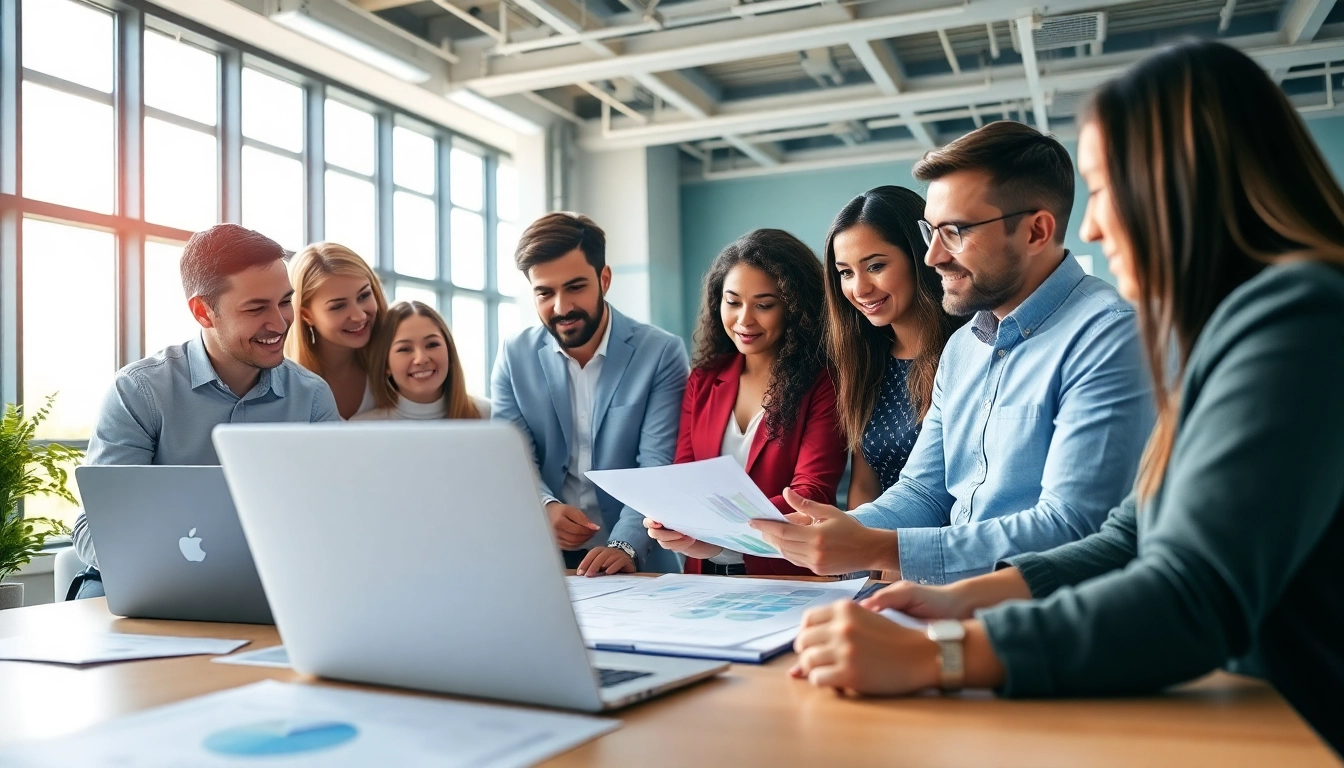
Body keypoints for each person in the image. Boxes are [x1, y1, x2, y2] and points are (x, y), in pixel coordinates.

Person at [789, 41, 1344, 756]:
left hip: (1300, 727)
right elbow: (1129, 536)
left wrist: (942, 655)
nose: (1091, 225)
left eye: (1107, 187)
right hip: (1243, 709)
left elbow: (1191, 595)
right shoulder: (1234, 325)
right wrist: (962, 599)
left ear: (1180, 184)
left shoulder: (1297, 316)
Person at [752, 121, 1154, 584]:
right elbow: (924, 491)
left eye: (956, 231)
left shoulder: (1108, 335)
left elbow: (1074, 526)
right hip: (954, 605)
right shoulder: (964, 346)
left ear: (1036, 231)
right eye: (931, 232)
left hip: (1049, 625)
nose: (933, 257)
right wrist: (802, 533)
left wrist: (880, 547)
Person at [72, 224, 339, 597]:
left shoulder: (311, 398)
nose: (279, 323)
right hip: (149, 589)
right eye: (256, 308)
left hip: (273, 590)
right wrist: (174, 575)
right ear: (203, 312)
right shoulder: (139, 391)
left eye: (284, 301)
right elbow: (94, 528)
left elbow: (338, 515)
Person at [491, 212, 689, 576]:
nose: (562, 307)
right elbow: (510, 459)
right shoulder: (513, 356)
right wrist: (544, 507)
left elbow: (658, 464)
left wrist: (625, 544)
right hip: (542, 562)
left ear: (605, 279)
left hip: (638, 559)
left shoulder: (661, 353)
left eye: (576, 287)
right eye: (545, 293)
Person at [645, 230, 847, 576]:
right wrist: (673, 518)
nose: (744, 320)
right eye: (733, 301)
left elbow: (810, 494)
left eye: (764, 305)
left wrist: (717, 533)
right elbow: (685, 473)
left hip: (783, 576)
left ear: (795, 308)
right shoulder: (704, 378)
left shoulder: (824, 384)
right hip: (702, 575)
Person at [824, 186, 966, 509]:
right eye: (846, 272)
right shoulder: (865, 363)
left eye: (875, 266)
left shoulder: (966, 350)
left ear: (919, 256)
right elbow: (863, 485)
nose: (859, 288)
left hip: (952, 546)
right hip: (879, 547)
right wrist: (866, 555)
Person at [285, 242, 389, 420]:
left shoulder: (394, 367)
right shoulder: (287, 385)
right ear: (305, 315)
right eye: (338, 306)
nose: (359, 316)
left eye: (364, 296)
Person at [353, 301, 490, 421]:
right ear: (385, 364)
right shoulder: (361, 429)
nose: (421, 359)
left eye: (432, 345)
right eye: (405, 349)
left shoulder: (490, 416)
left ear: (449, 351)